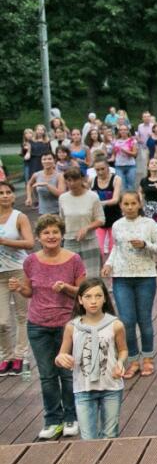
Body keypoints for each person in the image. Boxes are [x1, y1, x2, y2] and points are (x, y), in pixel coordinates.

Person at [11, 215, 86, 439]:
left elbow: (84, 292)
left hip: (67, 325)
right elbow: (29, 291)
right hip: (38, 325)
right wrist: (19, 288)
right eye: (46, 233)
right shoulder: (31, 261)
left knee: (68, 374)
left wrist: (66, 288)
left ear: (62, 235)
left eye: (55, 232)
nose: (51, 236)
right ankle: (52, 419)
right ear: (38, 237)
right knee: (47, 375)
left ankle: (72, 417)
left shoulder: (74, 259)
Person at [104, 190, 157, 377]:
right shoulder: (117, 225)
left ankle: (147, 358)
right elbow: (116, 248)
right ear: (120, 206)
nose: (130, 207)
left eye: (133, 203)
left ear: (139, 204)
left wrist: (145, 245)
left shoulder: (149, 224)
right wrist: (108, 264)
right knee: (127, 321)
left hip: (145, 276)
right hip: (121, 277)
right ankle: (132, 359)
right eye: (126, 204)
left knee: (144, 319)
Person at [54, 277, 127, 439]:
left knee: (110, 435)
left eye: (98, 296)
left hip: (110, 386)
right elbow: (60, 355)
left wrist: (120, 362)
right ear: (80, 300)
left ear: (105, 298)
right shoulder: (72, 327)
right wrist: (62, 358)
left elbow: (123, 350)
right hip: (83, 388)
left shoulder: (115, 325)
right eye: (88, 296)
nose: (93, 301)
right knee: (88, 439)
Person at [0, 181, 34, 376]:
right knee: (2, 321)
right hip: (0, 275)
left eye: (8, 192)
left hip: (19, 270)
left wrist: (5, 241)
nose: (5, 195)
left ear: (13, 196)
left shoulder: (19, 217)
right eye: (1, 193)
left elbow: (29, 243)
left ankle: (20, 356)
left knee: (22, 315)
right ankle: (6, 356)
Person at [58, 167, 104, 276]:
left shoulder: (92, 196)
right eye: (69, 180)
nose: (72, 183)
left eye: (75, 180)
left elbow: (101, 219)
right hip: (70, 241)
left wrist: (87, 228)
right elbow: (61, 220)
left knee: (91, 276)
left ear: (82, 179)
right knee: (71, 275)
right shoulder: (63, 198)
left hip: (89, 241)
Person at [27, 152, 62, 217]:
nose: (47, 161)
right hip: (42, 212)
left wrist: (46, 185)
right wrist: (29, 197)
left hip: (58, 211)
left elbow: (60, 194)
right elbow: (29, 184)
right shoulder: (36, 175)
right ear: (41, 161)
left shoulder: (59, 176)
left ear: (54, 160)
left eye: (49, 159)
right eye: (44, 159)